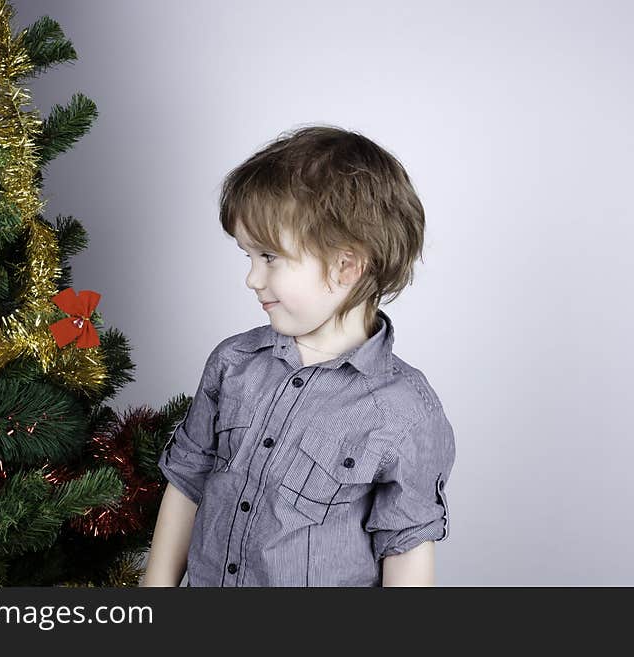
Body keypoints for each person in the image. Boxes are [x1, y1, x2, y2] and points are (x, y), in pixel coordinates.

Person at [140, 125, 455, 587]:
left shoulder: (405, 411)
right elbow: (187, 482)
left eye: (268, 257)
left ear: (346, 266)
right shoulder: (233, 363)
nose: (252, 278)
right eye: (248, 256)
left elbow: (406, 551)